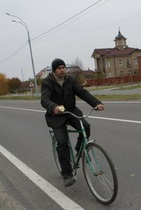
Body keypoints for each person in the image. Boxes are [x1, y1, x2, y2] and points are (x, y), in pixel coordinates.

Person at [41, 58, 104, 187]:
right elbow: (44, 99)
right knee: (62, 142)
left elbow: (82, 92)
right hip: (56, 116)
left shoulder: (71, 80)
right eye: (59, 68)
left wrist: (96, 103)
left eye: (64, 67)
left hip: (71, 112)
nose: (62, 70)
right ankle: (67, 174)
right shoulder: (47, 82)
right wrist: (54, 107)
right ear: (54, 70)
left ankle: (80, 149)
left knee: (86, 127)